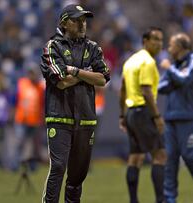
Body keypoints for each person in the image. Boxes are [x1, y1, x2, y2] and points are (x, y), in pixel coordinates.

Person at [40, 4, 110, 203]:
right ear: (64, 22)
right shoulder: (52, 46)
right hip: (59, 116)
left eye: (84, 20)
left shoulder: (93, 47)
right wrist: (88, 73)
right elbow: (61, 82)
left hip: (86, 118)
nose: (82, 24)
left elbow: (103, 79)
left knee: (78, 175)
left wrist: (77, 71)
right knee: (59, 166)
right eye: (76, 20)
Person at [158, 33, 193, 203]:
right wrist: (176, 75)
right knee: (170, 158)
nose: (168, 49)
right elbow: (161, 87)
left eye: (171, 45)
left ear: (181, 47)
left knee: (190, 156)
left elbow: (185, 79)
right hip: (171, 117)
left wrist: (171, 70)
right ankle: (170, 197)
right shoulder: (175, 65)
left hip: (189, 116)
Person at [119, 27, 167, 203]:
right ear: (145, 41)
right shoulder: (147, 62)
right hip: (144, 112)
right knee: (160, 155)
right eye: (155, 39)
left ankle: (133, 200)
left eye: (161, 40)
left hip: (131, 113)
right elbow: (147, 92)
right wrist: (156, 117)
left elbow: (123, 90)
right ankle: (161, 200)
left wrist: (122, 116)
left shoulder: (130, 61)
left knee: (136, 157)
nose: (159, 44)